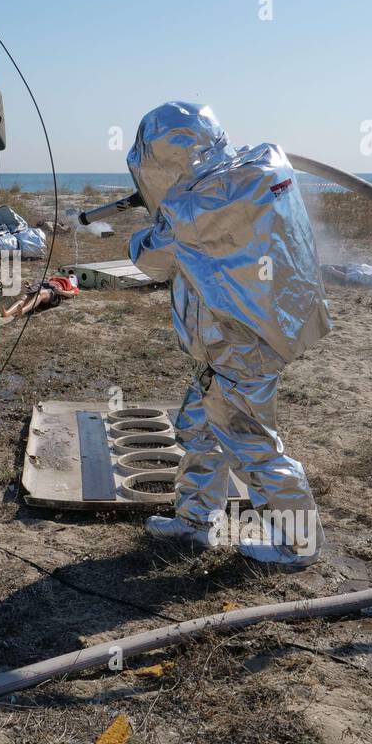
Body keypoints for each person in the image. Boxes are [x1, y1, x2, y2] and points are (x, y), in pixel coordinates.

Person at [126, 102, 331, 566]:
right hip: (262, 328)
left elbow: (148, 259)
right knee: (199, 429)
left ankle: (299, 543)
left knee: (250, 442)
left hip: (239, 345)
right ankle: (196, 519)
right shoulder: (262, 165)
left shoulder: (190, 209)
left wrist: (153, 220)